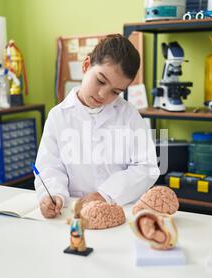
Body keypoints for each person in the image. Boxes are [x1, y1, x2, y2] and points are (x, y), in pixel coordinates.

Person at [35, 34, 159, 218]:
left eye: (115, 92)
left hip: (118, 208)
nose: (103, 94)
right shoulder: (58, 116)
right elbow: (50, 166)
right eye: (100, 81)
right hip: (71, 210)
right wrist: (53, 194)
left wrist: (105, 194)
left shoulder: (129, 115)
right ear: (86, 66)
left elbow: (146, 167)